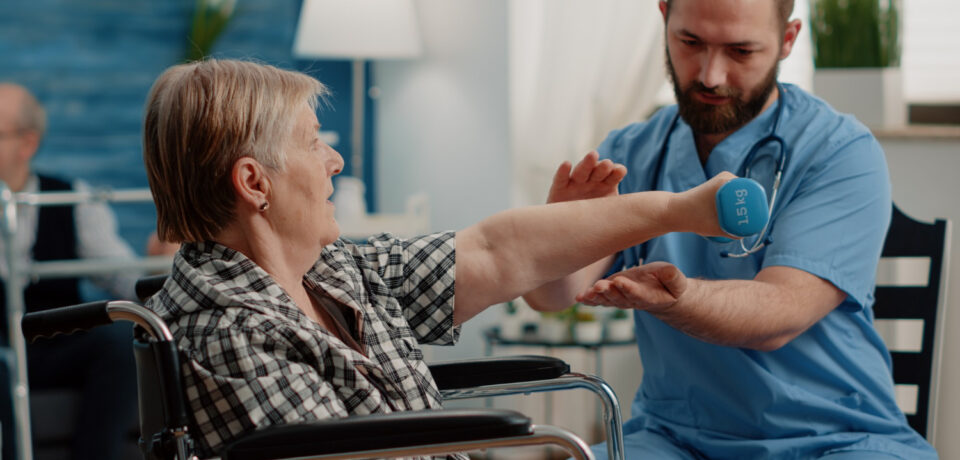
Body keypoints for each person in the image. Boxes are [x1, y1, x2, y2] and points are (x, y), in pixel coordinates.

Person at [140, 58, 738, 458]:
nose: (334, 161)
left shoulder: (332, 271)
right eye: (314, 142)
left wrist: (681, 210)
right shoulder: (229, 336)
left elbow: (495, 250)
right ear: (254, 183)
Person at [523, 0, 936, 459]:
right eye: (690, 42)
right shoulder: (631, 151)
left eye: (740, 51)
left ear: (787, 40)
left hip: (835, 440)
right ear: (664, 16)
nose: (710, 75)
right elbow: (553, 296)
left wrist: (679, 299)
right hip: (674, 440)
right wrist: (557, 235)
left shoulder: (838, 152)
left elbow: (778, 314)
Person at [0, 83, 148, 459]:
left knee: (118, 342)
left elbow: (122, 276)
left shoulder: (70, 200)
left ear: (27, 143)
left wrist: (161, 270)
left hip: (52, 344)